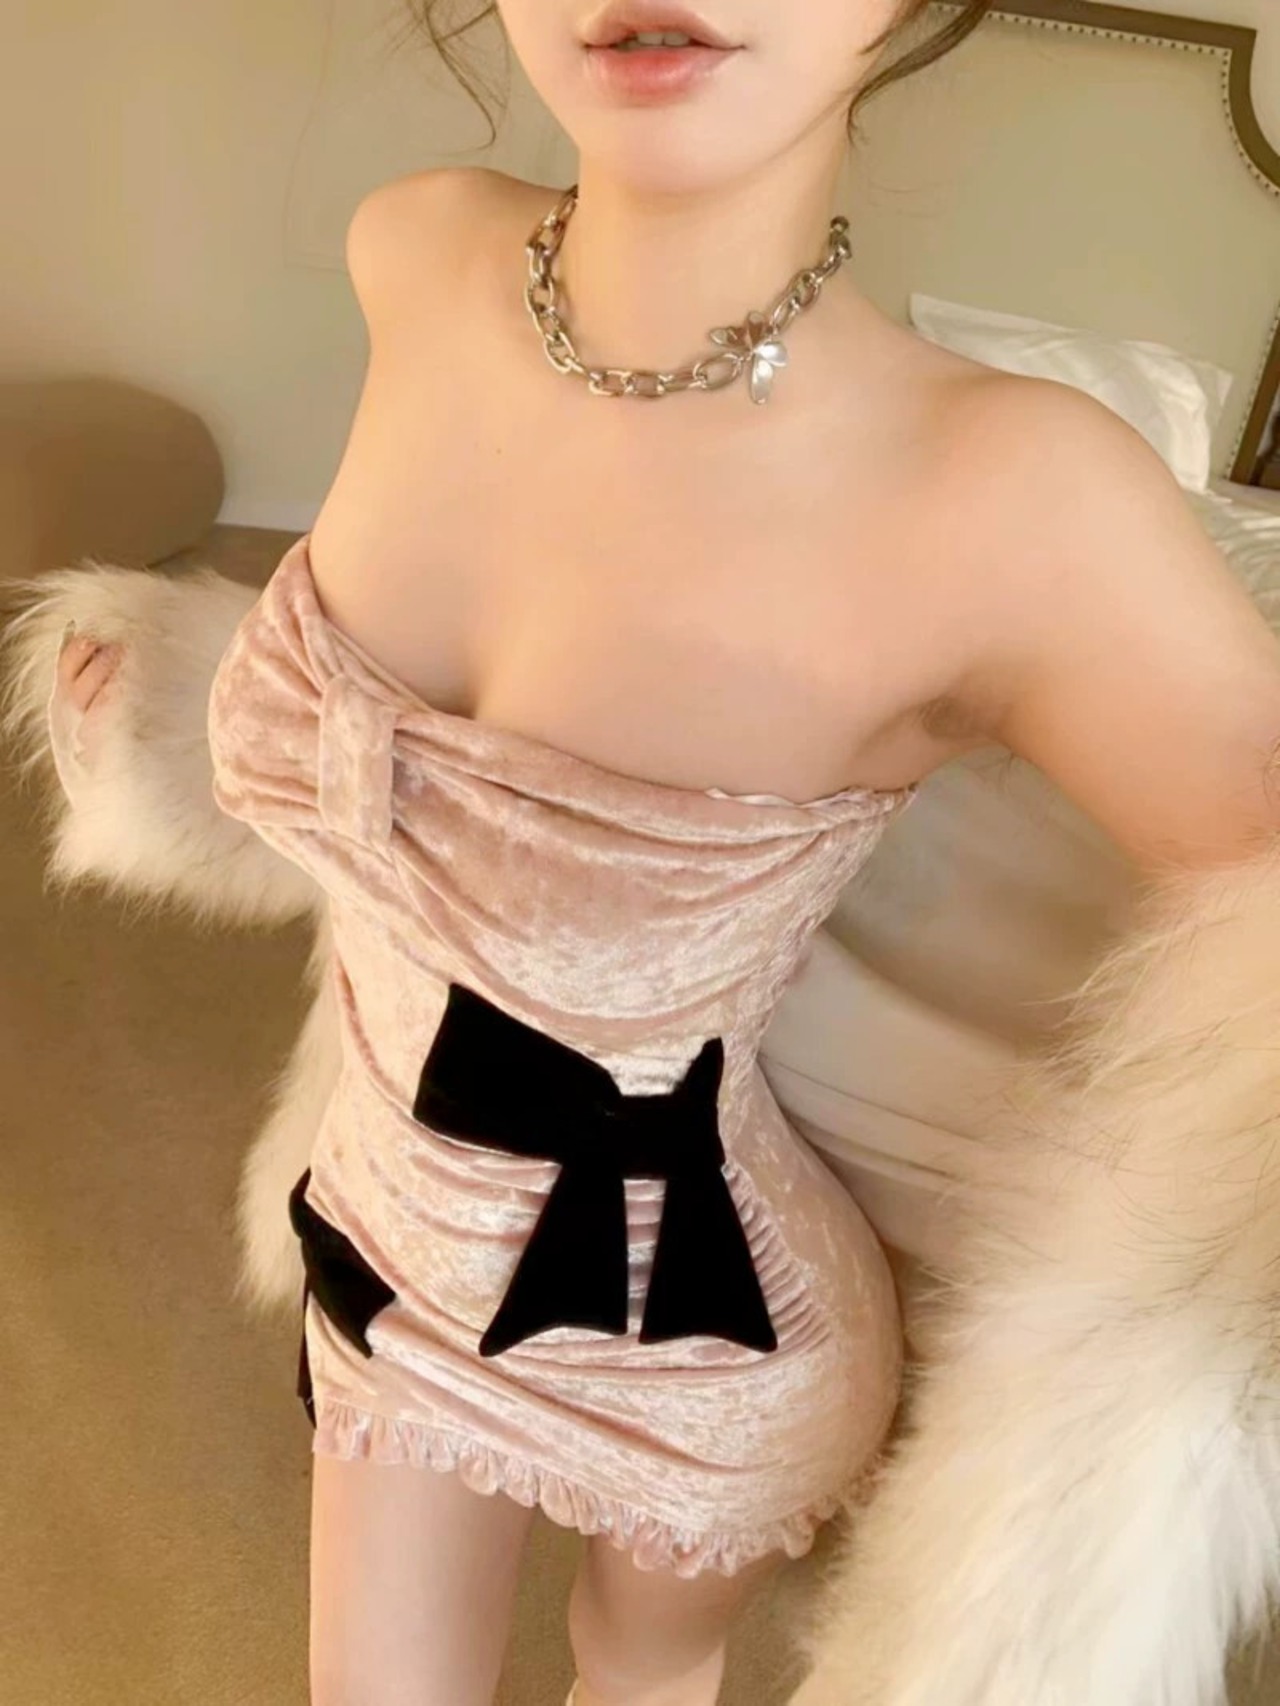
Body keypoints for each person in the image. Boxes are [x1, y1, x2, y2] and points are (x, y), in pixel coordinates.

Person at [16, 2, 1280, 1704]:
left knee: (636, 1678)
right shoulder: (416, 250)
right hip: (384, 1232)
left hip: (701, 1333)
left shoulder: (1013, 500)